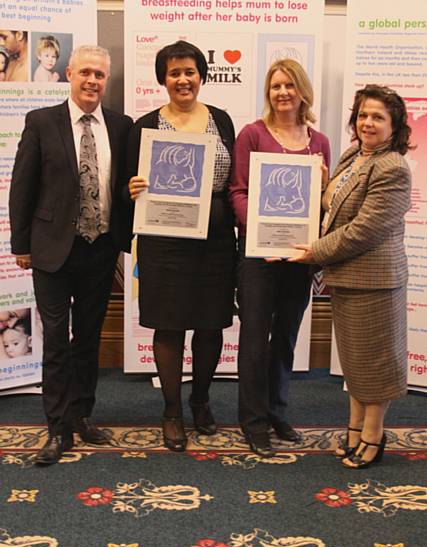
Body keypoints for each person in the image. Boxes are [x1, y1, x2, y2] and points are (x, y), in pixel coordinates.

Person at [9, 45, 133, 465]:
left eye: (100, 74)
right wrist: (20, 246)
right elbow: (21, 187)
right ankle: (57, 427)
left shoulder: (121, 126)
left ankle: (82, 414)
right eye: (85, 73)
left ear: (106, 80)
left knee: (90, 338)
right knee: (57, 340)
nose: (92, 81)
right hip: (51, 251)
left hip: (100, 250)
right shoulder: (41, 121)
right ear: (69, 75)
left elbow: (122, 186)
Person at [289, 84, 412, 469]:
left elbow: (363, 230)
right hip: (347, 277)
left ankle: (373, 436)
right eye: (362, 115)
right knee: (355, 362)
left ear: (394, 125)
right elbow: (333, 207)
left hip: (375, 280)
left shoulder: (391, 167)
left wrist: (313, 252)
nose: (368, 123)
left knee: (374, 363)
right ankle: (355, 428)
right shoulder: (353, 156)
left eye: (378, 117)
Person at [127, 40, 236, 452]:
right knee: (169, 326)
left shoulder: (222, 121)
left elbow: (236, 180)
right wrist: (131, 187)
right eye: (174, 72)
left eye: (190, 71)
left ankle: (201, 401)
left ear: (201, 76)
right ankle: (171, 412)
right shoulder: (145, 125)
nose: (183, 79)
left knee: (210, 326)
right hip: (164, 243)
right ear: (163, 79)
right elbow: (125, 182)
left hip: (216, 242)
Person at [229, 59, 330, 457]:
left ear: (302, 90)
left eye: (289, 85)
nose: (282, 92)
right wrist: (259, 237)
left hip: (299, 256)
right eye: (275, 86)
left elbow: (322, 204)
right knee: (255, 339)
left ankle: (276, 411)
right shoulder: (252, 134)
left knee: (286, 335)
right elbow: (237, 191)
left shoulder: (318, 141)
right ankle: (252, 422)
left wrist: (325, 186)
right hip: (258, 257)